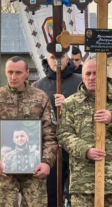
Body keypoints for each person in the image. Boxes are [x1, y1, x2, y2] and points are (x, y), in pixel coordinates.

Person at [57, 59, 112, 206]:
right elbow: (64, 134)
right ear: (82, 77)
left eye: (96, 73)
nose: (92, 77)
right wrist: (85, 150)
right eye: (88, 73)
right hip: (84, 182)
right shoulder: (71, 103)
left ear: (105, 75)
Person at [0, 56, 58, 206]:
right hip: (4, 167)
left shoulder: (40, 97)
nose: (13, 77)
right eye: (10, 72)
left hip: (34, 169)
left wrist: (46, 162)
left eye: (18, 72)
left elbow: (50, 133)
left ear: (27, 73)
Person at [32, 52, 82, 207]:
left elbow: (91, 109)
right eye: (53, 57)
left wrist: (68, 104)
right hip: (50, 146)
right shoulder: (38, 87)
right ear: (47, 59)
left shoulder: (81, 82)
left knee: (77, 193)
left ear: (67, 58)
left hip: (77, 142)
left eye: (61, 57)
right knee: (51, 192)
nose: (57, 61)